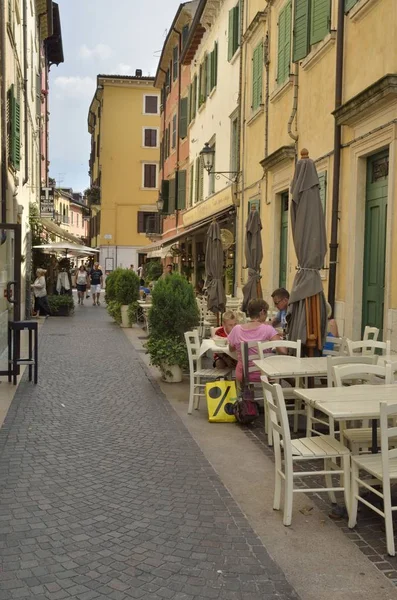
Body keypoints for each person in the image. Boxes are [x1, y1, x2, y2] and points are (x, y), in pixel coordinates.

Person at [228, 298, 286, 383]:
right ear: (262, 312)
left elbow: (231, 349)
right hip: (265, 374)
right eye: (266, 312)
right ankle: (269, 395)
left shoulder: (237, 329)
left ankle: (247, 394)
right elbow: (284, 351)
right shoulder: (268, 329)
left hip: (243, 374)